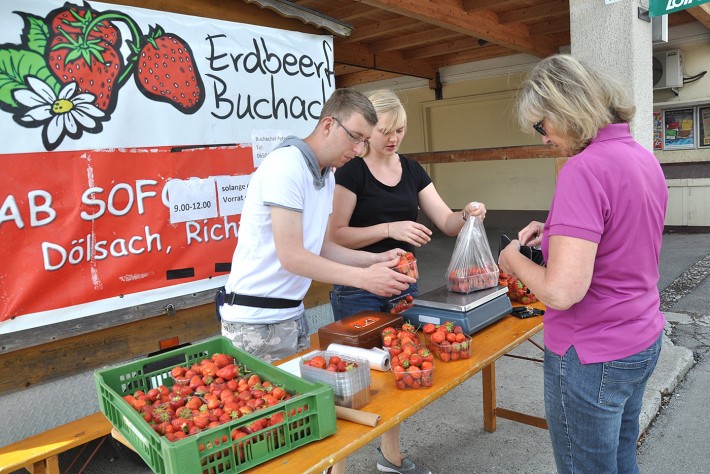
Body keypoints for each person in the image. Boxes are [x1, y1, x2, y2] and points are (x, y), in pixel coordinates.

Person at [498, 54, 667, 474]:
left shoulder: (582, 169)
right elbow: (619, 234)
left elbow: (562, 291)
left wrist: (513, 260)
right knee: (621, 457)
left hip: (591, 353)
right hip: (640, 337)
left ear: (566, 110)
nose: (543, 138)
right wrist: (554, 229)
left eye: (542, 125)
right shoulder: (641, 157)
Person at [328, 89, 486, 474]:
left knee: (400, 370)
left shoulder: (412, 169)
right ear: (367, 130)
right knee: (352, 379)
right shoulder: (351, 171)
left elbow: (446, 221)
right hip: (357, 286)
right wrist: (389, 227)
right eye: (385, 130)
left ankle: (390, 457)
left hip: (402, 285)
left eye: (399, 130)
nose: (393, 138)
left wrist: (467, 214)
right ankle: (337, 466)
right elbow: (335, 235)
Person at [218, 88, 415, 365]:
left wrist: (376, 260)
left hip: (291, 315)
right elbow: (292, 256)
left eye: (365, 141)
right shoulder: (286, 165)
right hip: (255, 322)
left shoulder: (327, 175)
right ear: (328, 125)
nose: (359, 150)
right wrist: (363, 279)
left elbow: (319, 246)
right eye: (355, 138)